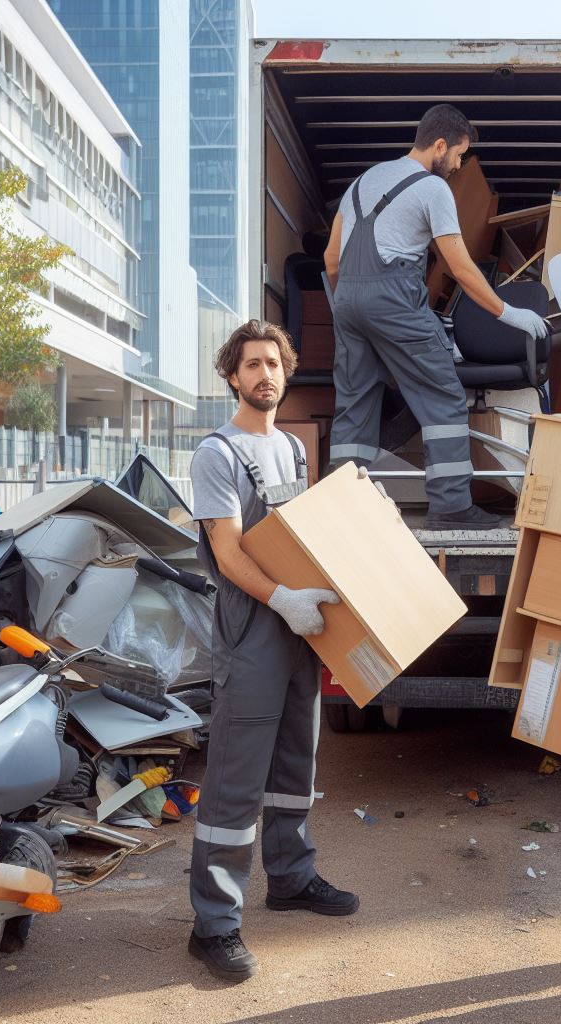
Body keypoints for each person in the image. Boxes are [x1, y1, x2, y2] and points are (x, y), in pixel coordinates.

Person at [188, 319, 358, 982]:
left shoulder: (291, 449)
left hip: (299, 633)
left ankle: (290, 877)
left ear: (286, 374)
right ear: (233, 375)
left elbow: (302, 537)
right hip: (252, 631)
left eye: (275, 364)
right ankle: (215, 923)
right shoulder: (218, 454)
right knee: (235, 779)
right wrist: (283, 598)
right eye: (252, 364)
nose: (265, 374)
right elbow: (229, 553)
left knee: (295, 764)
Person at [323, 103, 548, 531]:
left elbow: (332, 260)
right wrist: (510, 313)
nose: (460, 165)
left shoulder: (361, 182)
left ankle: (341, 511)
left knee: (354, 408)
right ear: (439, 145)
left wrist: (351, 307)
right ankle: (450, 507)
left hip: (347, 302)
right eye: (460, 155)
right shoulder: (433, 190)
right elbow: (461, 267)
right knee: (443, 397)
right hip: (393, 301)